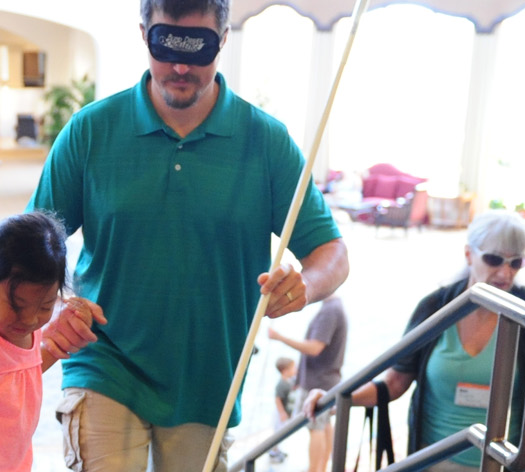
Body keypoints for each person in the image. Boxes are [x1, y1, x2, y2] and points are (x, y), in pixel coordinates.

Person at [26, 0, 351, 468]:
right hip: (104, 362)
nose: (180, 66)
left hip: (209, 377)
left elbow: (332, 251)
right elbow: (34, 242)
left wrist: (306, 284)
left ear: (222, 40)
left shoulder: (266, 142)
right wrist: (54, 306)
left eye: (197, 49)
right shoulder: (91, 131)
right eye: (166, 46)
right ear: (143, 33)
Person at [305, 211, 525, 472]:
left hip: (502, 463)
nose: (505, 271)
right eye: (495, 259)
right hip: (433, 460)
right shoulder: (437, 307)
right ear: (469, 253)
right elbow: (396, 382)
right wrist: (335, 399)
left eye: (516, 262)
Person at [0, 212, 106, 472]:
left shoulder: (31, 330)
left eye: (45, 306)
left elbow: (24, 370)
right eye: (17, 305)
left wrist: (62, 340)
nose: (30, 319)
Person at [268, 296, 347, 472]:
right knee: (324, 425)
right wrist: (299, 379)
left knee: (316, 427)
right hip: (326, 379)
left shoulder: (330, 310)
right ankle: (322, 468)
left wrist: (280, 337)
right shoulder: (334, 307)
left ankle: (315, 469)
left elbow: (314, 348)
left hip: (318, 382)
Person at [269, 357, 297, 464]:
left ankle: (278, 450)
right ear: (285, 371)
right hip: (280, 414)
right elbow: (277, 399)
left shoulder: (289, 381)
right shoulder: (282, 384)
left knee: (282, 433)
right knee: (278, 433)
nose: (295, 369)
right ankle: (273, 452)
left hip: (286, 413)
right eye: (293, 368)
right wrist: (282, 412)